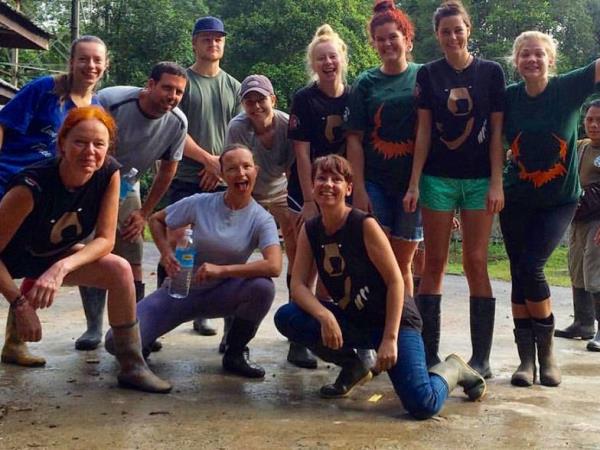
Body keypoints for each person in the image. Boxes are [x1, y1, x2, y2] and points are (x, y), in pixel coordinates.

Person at [274, 155, 486, 420]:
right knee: (288, 316)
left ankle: (453, 368)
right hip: (353, 318)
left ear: (348, 188)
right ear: (312, 184)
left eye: (336, 179)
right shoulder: (312, 229)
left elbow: (396, 280)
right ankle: (354, 365)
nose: (328, 184)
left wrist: (390, 339)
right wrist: (325, 316)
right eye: (321, 178)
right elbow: (297, 285)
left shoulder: (364, 225)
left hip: (394, 322)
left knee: (422, 405)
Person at [0, 106, 171, 393]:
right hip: (8, 260)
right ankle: (14, 341)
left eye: (98, 144)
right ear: (62, 144)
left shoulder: (108, 173)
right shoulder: (31, 185)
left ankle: (132, 364)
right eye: (79, 142)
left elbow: (106, 240)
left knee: (119, 269)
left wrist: (61, 267)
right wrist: (20, 304)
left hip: (49, 256)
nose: (89, 151)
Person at [106, 144, 282, 378]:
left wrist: (222, 271)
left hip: (224, 293)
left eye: (246, 166)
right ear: (222, 173)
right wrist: (166, 253)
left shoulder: (262, 219)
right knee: (114, 343)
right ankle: (145, 342)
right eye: (232, 168)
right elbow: (157, 220)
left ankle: (235, 352)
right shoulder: (201, 202)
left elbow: (274, 266)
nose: (240, 174)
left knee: (262, 287)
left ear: (256, 171)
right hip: (181, 290)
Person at [403, 0, 505, 379]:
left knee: (476, 261)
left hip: (480, 179)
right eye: (445, 31)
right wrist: (414, 181)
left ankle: (482, 358)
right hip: (438, 179)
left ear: (468, 30)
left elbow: (496, 133)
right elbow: (424, 131)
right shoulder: (429, 75)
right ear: (437, 35)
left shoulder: (491, 73)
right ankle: (429, 354)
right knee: (434, 263)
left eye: (457, 29)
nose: (452, 37)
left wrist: (496, 180)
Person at [0, 35, 108, 367]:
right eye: (83, 59)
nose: (90, 66)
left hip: (51, 201)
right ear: (71, 61)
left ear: (105, 66)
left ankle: (14, 343)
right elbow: (4, 126)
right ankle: (20, 315)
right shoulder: (44, 89)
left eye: (96, 60)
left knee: (46, 256)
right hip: (10, 186)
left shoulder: (95, 109)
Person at [501, 32, 600, 387]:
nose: (532, 60)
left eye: (539, 54)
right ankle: (525, 361)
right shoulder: (509, 97)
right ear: (516, 61)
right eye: (525, 54)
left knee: (532, 266)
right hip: (515, 199)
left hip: (559, 200)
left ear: (550, 59)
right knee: (518, 272)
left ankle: (547, 357)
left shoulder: (567, 88)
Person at [74, 62, 188, 353]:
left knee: (132, 250)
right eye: (167, 88)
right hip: (90, 181)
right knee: (91, 251)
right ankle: (94, 326)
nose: (172, 96)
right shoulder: (113, 100)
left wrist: (144, 213)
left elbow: (167, 171)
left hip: (128, 183)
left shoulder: (177, 122)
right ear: (149, 85)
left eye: (178, 92)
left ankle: (138, 327)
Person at [225, 75, 316, 368]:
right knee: (234, 248)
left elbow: (293, 168)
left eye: (261, 99)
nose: (255, 105)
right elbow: (237, 169)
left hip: (280, 190)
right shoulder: (238, 126)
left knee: (298, 249)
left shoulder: (286, 124)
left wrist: (296, 209)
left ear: (272, 101)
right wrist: (246, 211)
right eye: (249, 100)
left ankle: (297, 334)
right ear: (243, 104)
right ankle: (232, 331)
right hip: (245, 189)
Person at [160, 16, 241, 337]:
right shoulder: (182, 82)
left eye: (218, 38)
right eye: (206, 38)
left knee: (223, 251)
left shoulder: (234, 86)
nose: (213, 43)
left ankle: (211, 315)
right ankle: (160, 317)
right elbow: (174, 128)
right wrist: (208, 160)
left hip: (224, 181)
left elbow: (239, 134)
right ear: (194, 42)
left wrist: (221, 165)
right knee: (175, 246)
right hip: (185, 175)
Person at [346, 0, 422, 297]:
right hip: (375, 182)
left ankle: (405, 332)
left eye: (393, 36)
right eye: (380, 39)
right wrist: (360, 189)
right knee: (376, 261)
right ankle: (371, 332)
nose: (387, 43)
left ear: (407, 38)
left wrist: (418, 183)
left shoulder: (423, 77)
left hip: (412, 184)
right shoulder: (365, 82)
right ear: (373, 44)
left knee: (402, 264)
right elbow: (354, 139)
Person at [556, 100, 600, 348]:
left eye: (599, 120)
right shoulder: (581, 146)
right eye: (589, 119)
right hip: (578, 216)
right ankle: (583, 323)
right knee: (577, 268)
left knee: (596, 272)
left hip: (598, 220)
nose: (593, 125)